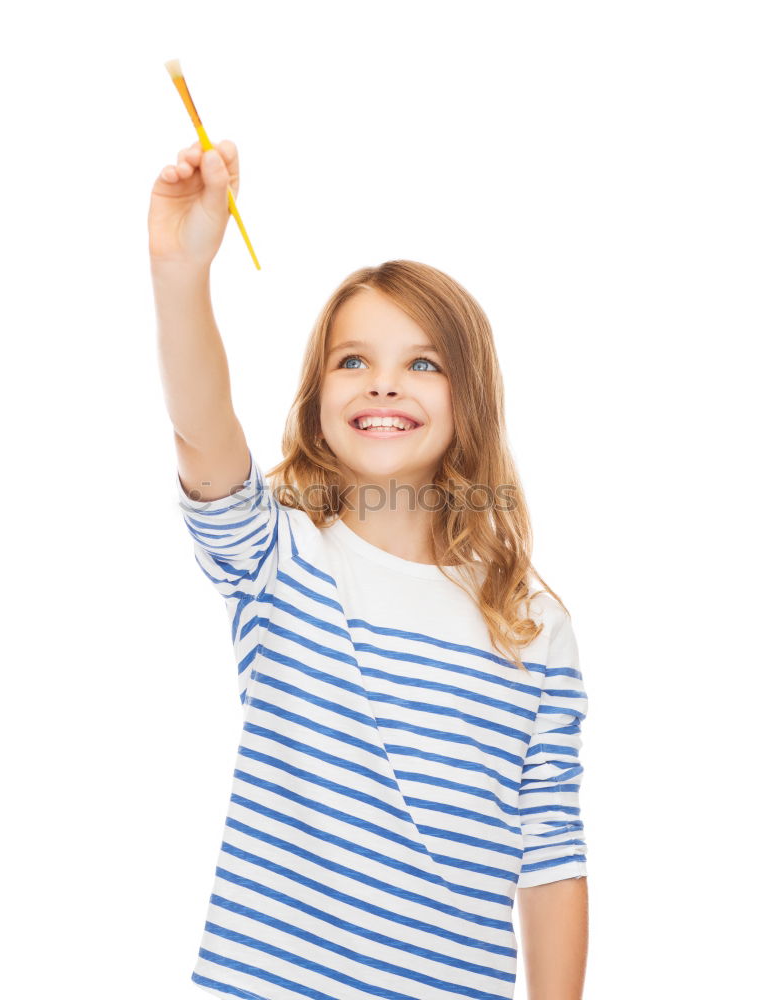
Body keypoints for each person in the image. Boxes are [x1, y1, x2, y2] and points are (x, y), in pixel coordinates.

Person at [148, 139, 590, 1000]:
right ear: (317, 398)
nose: (382, 385)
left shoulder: (531, 623)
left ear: (470, 403)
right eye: (353, 361)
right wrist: (179, 272)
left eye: (421, 363)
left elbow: (550, 853)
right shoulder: (278, 560)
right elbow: (203, 432)